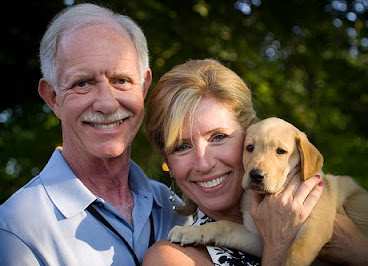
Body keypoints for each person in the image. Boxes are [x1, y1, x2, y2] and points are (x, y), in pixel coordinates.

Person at [0, 3, 190, 265]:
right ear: (52, 97)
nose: (107, 103)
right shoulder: (15, 229)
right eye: (82, 83)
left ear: (144, 86)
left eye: (121, 81)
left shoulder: (176, 208)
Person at [143, 58, 368, 265]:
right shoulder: (173, 258)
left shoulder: (306, 192)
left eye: (219, 137)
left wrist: (358, 250)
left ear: (249, 133)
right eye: (181, 147)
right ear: (168, 163)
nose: (204, 164)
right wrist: (277, 246)